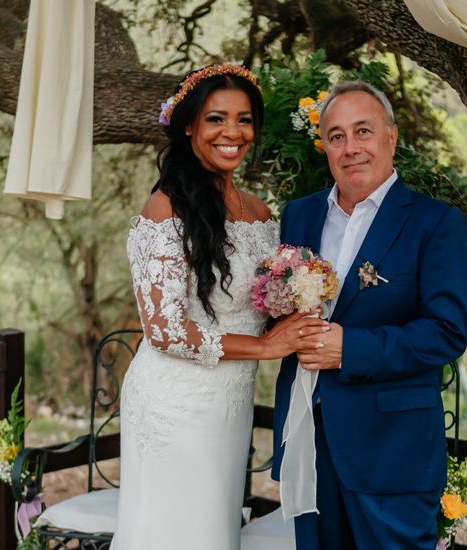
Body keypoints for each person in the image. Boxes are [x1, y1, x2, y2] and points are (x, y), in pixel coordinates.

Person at [114, 64, 328, 550]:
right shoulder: (164, 210)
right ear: (189, 125)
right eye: (216, 119)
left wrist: (303, 298)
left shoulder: (259, 212)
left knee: (215, 528)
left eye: (245, 119)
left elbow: (263, 298)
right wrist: (266, 346)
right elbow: (164, 329)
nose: (233, 133)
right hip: (174, 400)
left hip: (230, 402)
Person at [272, 80, 467, 549]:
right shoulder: (298, 216)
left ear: (391, 137)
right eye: (337, 135)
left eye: (363, 131)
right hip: (310, 448)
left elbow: (446, 333)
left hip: (393, 454)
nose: (350, 147)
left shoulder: (436, 223)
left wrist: (350, 348)